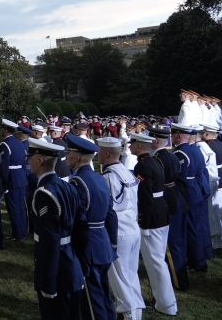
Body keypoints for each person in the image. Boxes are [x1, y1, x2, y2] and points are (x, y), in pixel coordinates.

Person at [27, 137, 84, 320]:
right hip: (72, 264)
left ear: (39, 160)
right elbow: (82, 228)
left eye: (31, 158)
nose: (28, 161)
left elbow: (50, 241)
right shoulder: (67, 186)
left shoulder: (44, 193)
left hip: (57, 269)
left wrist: (48, 282)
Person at [65, 133, 117, 320]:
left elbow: (76, 219)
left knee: (91, 297)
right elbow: (111, 214)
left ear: (77, 157)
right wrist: (112, 241)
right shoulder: (99, 178)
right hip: (102, 240)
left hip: (88, 244)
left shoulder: (77, 182)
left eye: (69, 152)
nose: (66, 156)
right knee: (103, 293)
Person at [129, 132, 178, 316]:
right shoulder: (155, 161)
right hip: (160, 213)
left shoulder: (142, 165)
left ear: (139, 146)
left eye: (133, 143)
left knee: (156, 262)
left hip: (152, 218)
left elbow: (146, 196)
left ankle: (167, 303)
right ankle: (163, 301)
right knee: (157, 261)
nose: (131, 146)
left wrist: (144, 222)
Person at [97, 137, 145, 320]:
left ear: (106, 153)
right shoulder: (127, 171)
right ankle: (136, 313)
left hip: (119, 232)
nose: (98, 154)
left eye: (100, 150)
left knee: (119, 279)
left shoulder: (109, 177)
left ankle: (129, 315)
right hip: (132, 228)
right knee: (131, 276)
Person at [170, 123, 213, 273]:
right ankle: (199, 259)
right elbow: (200, 173)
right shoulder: (195, 150)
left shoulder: (180, 153)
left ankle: (197, 261)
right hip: (195, 191)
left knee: (190, 228)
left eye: (173, 134)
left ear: (179, 135)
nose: (172, 137)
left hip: (187, 194)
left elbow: (179, 177)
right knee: (195, 227)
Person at [150, 126, 189, 290]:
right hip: (176, 196)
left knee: (171, 245)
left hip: (167, 198)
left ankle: (177, 281)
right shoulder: (172, 155)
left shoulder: (157, 159)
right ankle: (179, 278)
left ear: (154, 140)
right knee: (177, 241)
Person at [0, 119, 28, 241]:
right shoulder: (19, 143)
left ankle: (17, 234)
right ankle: (23, 231)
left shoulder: (4, 145)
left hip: (12, 179)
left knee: (13, 208)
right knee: (21, 206)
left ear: (5, 130)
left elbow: (4, 167)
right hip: (21, 177)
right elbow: (23, 162)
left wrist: (4, 183)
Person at [201, 124, 222, 251]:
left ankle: (215, 239)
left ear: (207, 134)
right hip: (219, 179)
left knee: (213, 212)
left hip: (215, 180)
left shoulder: (209, 146)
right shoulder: (219, 143)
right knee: (218, 212)